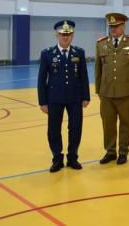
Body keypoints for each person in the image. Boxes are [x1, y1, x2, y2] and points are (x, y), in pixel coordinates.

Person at [37, 20, 90, 173]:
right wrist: (42, 101)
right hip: (54, 98)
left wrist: (86, 96)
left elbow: (83, 76)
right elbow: (42, 79)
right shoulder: (47, 54)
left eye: (68, 34)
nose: (65, 37)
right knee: (53, 129)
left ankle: (73, 157)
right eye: (62, 34)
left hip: (75, 97)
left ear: (72, 35)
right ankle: (57, 158)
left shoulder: (79, 53)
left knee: (75, 128)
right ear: (57, 35)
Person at [95, 12, 129, 165]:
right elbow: (98, 69)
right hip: (106, 92)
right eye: (111, 26)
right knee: (107, 124)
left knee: (126, 123)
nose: (113, 29)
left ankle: (123, 152)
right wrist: (98, 90)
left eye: (116, 26)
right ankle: (110, 151)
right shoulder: (101, 44)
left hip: (126, 92)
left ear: (123, 26)